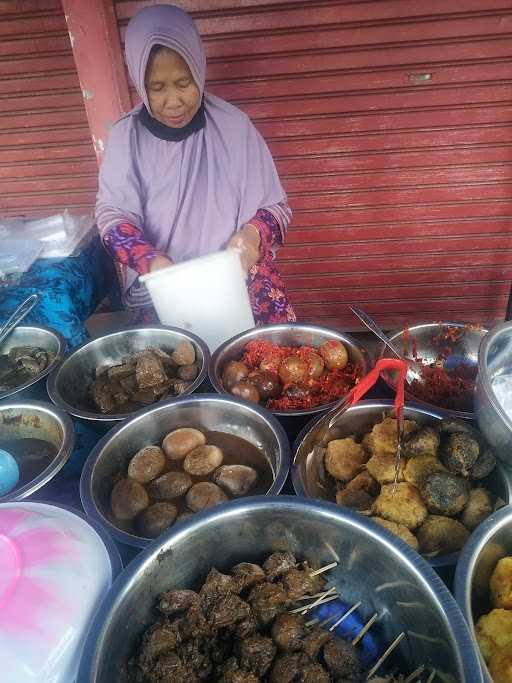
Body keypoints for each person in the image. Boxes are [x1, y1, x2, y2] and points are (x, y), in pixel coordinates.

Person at [96, 3, 296, 325]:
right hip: (163, 281)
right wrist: (154, 263)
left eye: (184, 83)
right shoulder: (125, 138)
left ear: (198, 69)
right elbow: (112, 219)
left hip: (235, 275)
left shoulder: (234, 126)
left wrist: (251, 236)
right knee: (168, 366)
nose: (173, 101)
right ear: (139, 82)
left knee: (267, 355)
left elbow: (275, 207)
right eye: (157, 88)